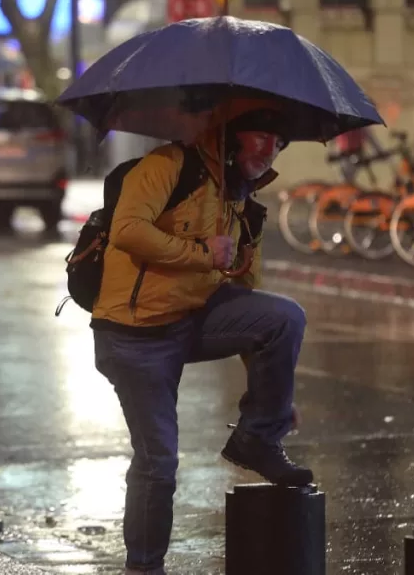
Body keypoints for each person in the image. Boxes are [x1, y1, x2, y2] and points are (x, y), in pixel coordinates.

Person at [91, 104, 312, 575]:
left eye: (279, 142)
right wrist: (201, 252)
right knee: (159, 461)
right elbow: (128, 230)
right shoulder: (167, 166)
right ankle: (145, 568)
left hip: (191, 321)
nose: (270, 149)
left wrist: (272, 394)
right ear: (231, 136)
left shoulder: (244, 204)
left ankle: (257, 441)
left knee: (284, 317)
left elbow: (245, 295)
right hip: (135, 332)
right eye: (261, 137)